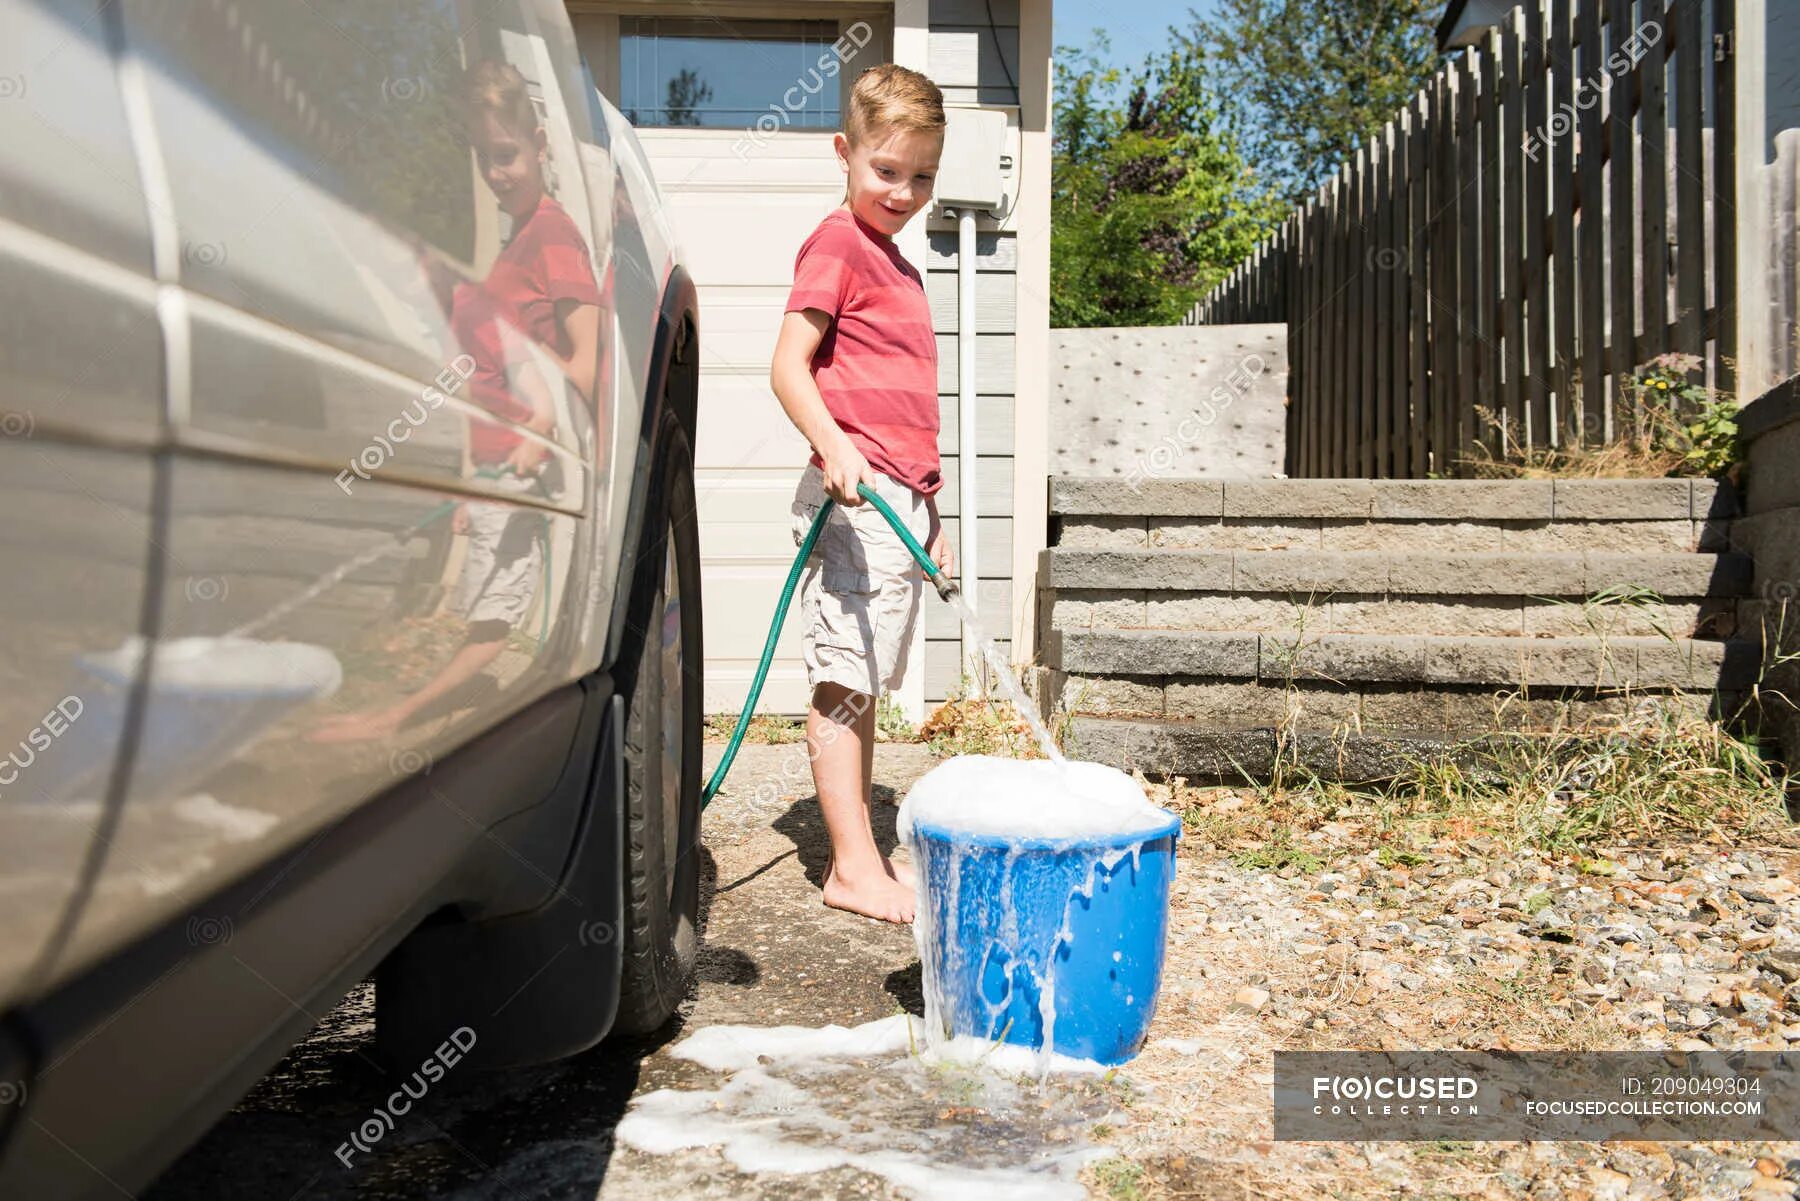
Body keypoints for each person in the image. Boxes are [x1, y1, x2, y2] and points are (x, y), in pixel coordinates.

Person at [312, 60, 602, 744]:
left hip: (529, 462)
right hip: (500, 465)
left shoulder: (554, 236)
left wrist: (540, 435)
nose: (497, 172)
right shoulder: (519, 240)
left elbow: (586, 366)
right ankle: (448, 708)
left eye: (507, 154)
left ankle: (392, 720)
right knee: (480, 608)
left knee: (493, 621)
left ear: (539, 143)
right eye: (484, 157)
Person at [768, 64, 954, 925]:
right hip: (855, 497)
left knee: (866, 678)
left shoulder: (903, 272)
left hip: (897, 502)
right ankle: (851, 866)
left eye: (922, 175)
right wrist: (835, 445)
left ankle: (863, 857)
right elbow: (787, 367)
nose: (904, 191)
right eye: (886, 171)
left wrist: (934, 510)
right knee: (844, 679)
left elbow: (909, 406)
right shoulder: (837, 244)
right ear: (843, 154)